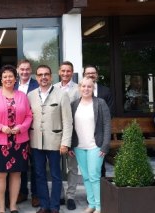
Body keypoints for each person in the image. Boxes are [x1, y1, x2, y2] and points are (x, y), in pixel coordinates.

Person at [0, 64, 33, 213]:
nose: (8, 79)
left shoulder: (22, 96)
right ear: (1, 78)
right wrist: (0, 127)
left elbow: (29, 116)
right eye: (5, 76)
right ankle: (0, 207)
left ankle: (12, 205)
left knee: (16, 174)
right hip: (0, 141)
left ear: (15, 78)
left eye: (10, 76)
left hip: (19, 141)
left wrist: (21, 128)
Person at [28, 65, 72, 213]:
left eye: (46, 74)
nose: (43, 77)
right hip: (36, 142)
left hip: (55, 142)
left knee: (55, 175)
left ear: (51, 76)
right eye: (40, 75)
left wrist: (65, 142)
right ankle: (44, 205)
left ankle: (54, 206)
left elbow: (67, 121)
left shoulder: (61, 94)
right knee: (39, 174)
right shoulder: (31, 95)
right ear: (36, 77)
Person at [68, 77, 111, 213]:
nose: (86, 89)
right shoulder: (74, 104)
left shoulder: (100, 103)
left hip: (95, 146)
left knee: (94, 176)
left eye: (89, 87)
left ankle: (99, 206)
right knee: (86, 176)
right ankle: (91, 204)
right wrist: (69, 145)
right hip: (79, 146)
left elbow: (107, 125)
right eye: (83, 86)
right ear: (79, 88)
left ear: (93, 88)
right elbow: (70, 126)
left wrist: (105, 146)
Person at [52, 61, 80, 211]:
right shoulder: (53, 88)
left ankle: (71, 196)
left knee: (72, 168)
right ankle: (60, 194)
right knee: (57, 167)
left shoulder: (78, 89)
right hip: (56, 134)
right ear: (59, 71)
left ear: (72, 72)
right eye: (63, 71)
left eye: (68, 71)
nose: (65, 73)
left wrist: (72, 140)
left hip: (73, 133)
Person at [14, 59, 39, 206]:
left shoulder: (37, 85)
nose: (24, 72)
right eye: (22, 69)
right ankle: (22, 192)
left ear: (31, 70)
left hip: (34, 131)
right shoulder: (13, 85)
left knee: (35, 164)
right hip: (18, 133)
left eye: (27, 69)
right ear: (18, 70)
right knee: (21, 165)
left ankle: (36, 194)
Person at [83, 64, 114, 178]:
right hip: (84, 134)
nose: (91, 75)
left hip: (100, 134)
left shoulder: (106, 91)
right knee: (87, 165)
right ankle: (90, 193)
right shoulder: (80, 90)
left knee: (100, 165)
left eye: (93, 73)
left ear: (97, 75)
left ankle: (101, 191)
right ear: (84, 75)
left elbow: (109, 113)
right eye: (88, 73)